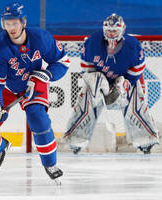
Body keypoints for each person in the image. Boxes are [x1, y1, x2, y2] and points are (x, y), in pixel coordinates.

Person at [0, 3, 70, 184]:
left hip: (34, 84)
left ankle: (50, 164)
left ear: (23, 22)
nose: (11, 28)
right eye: (7, 23)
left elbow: (63, 62)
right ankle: (0, 149)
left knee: (38, 120)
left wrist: (45, 75)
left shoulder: (41, 38)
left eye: (14, 23)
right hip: (7, 87)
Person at [62, 13, 159, 154]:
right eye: (108, 30)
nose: (111, 33)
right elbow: (86, 69)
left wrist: (123, 85)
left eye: (114, 30)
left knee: (136, 105)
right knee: (86, 101)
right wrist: (96, 84)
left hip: (124, 80)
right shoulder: (92, 42)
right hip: (100, 79)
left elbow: (137, 71)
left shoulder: (132, 46)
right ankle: (75, 140)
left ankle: (146, 140)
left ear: (122, 29)